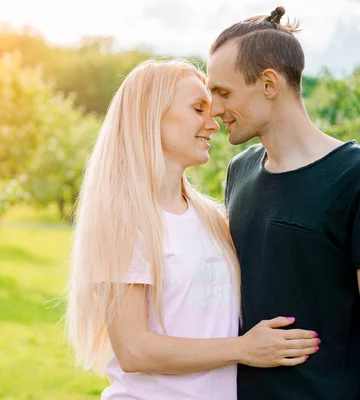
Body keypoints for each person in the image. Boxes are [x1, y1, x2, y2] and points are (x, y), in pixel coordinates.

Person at [65, 58, 319, 400]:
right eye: (198, 108)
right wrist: (243, 349)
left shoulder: (211, 218)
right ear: (151, 116)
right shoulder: (126, 220)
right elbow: (134, 351)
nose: (212, 122)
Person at [207, 6, 360, 400]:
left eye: (223, 92)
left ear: (269, 84)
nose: (215, 109)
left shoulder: (353, 177)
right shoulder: (239, 171)